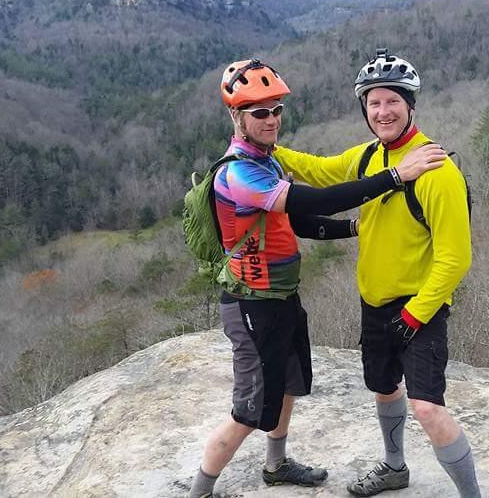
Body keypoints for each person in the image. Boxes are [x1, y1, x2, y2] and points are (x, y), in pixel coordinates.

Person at [187, 58, 447, 498]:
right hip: (251, 303)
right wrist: (395, 175)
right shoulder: (240, 172)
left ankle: (276, 465)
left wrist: (353, 229)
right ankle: (199, 490)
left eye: (276, 110)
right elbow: (320, 197)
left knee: (289, 383)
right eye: (259, 112)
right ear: (238, 118)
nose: (271, 120)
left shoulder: (266, 163)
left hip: (282, 297)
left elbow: (300, 219)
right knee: (250, 409)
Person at [272, 49, 481, 497]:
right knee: (384, 388)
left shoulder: (436, 172)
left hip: (418, 307)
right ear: (364, 109)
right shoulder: (370, 156)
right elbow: (321, 171)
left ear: (410, 105)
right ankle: (394, 467)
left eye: (392, 101)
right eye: (374, 102)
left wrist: (415, 315)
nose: (383, 111)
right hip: (374, 302)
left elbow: (455, 258)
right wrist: (265, 146)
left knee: (427, 407)